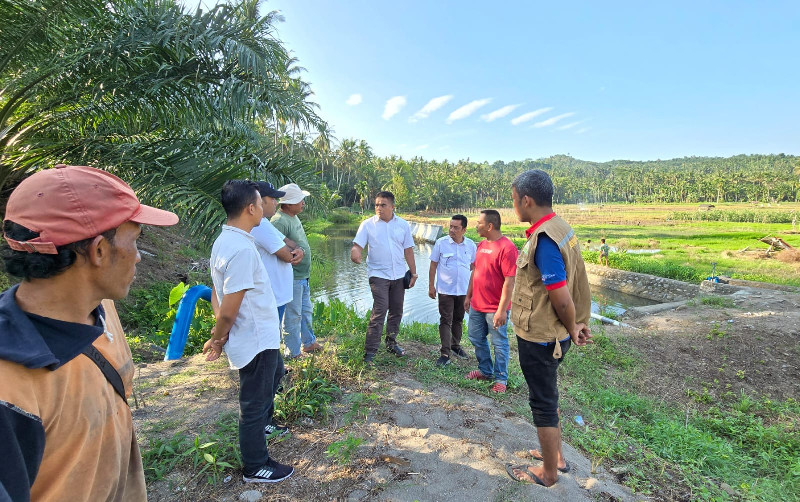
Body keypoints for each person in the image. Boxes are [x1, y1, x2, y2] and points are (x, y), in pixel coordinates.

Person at [0, 164, 178, 501]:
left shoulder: (101, 310)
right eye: (135, 240)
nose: (139, 257)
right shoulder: (10, 386)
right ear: (98, 251)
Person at [505, 169, 592, 488]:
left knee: (542, 403)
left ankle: (550, 473)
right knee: (549, 393)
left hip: (542, 338)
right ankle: (553, 456)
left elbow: (562, 297)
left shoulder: (544, 240)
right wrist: (576, 326)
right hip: (555, 334)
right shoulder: (559, 226)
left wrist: (573, 326)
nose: (513, 206)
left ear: (526, 200)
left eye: (514, 200)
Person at [203, 180, 293, 483]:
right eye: (261, 203)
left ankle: (264, 431)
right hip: (255, 338)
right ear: (251, 208)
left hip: (257, 335)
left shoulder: (225, 241)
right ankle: (257, 465)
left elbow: (217, 293)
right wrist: (218, 338)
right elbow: (228, 307)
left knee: (273, 376)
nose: (267, 208)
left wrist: (222, 335)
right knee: (252, 405)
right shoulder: (241, 248)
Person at [351, 191, 417, 363]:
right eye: (376, 205)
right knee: (380, 309)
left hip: (398, 275)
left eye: (383, 205)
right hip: (378, 274)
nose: (379, 208)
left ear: (392, 206)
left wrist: (414, 272)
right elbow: (358, 245)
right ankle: (370, 351)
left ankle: (391, 342)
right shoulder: (367, 225)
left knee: (396, 310)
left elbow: (408, 250)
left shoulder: (402, 225)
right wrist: (355, 253)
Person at [464, 209, 518, 393]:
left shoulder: (507, 248)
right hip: (477, 305)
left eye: (479, 222)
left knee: (499, 343)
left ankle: (501, 378)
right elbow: (476, 272)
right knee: (475, 337)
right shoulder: (481, 245)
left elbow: (510, 281)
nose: (476, 225)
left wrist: (502, 310)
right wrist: (468, 295)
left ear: (490, 226)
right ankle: (485, 371)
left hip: (495, 308)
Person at [271, 183, 322, 358]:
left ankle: (308, 343)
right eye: (300, 200)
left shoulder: (292, 217)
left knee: (305, 311)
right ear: (289, 203)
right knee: (292, 315)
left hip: (302, 276)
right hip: (291, 278)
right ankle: (292, 351)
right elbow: (276, 249)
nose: (303, 203)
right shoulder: (279, 221)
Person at [428, 214, 476, 367]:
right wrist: (431, 285)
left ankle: (455, 346)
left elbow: (474, 268)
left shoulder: (471, 246)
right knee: (446, 319)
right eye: (451, 226)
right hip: (445, 289)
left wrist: (472, 290)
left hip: (463, 290)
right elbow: (433, 265)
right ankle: (445, 353)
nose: (452, 230)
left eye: (456, 227)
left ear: (464, 229)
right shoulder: (441, 243)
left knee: (458, 319)